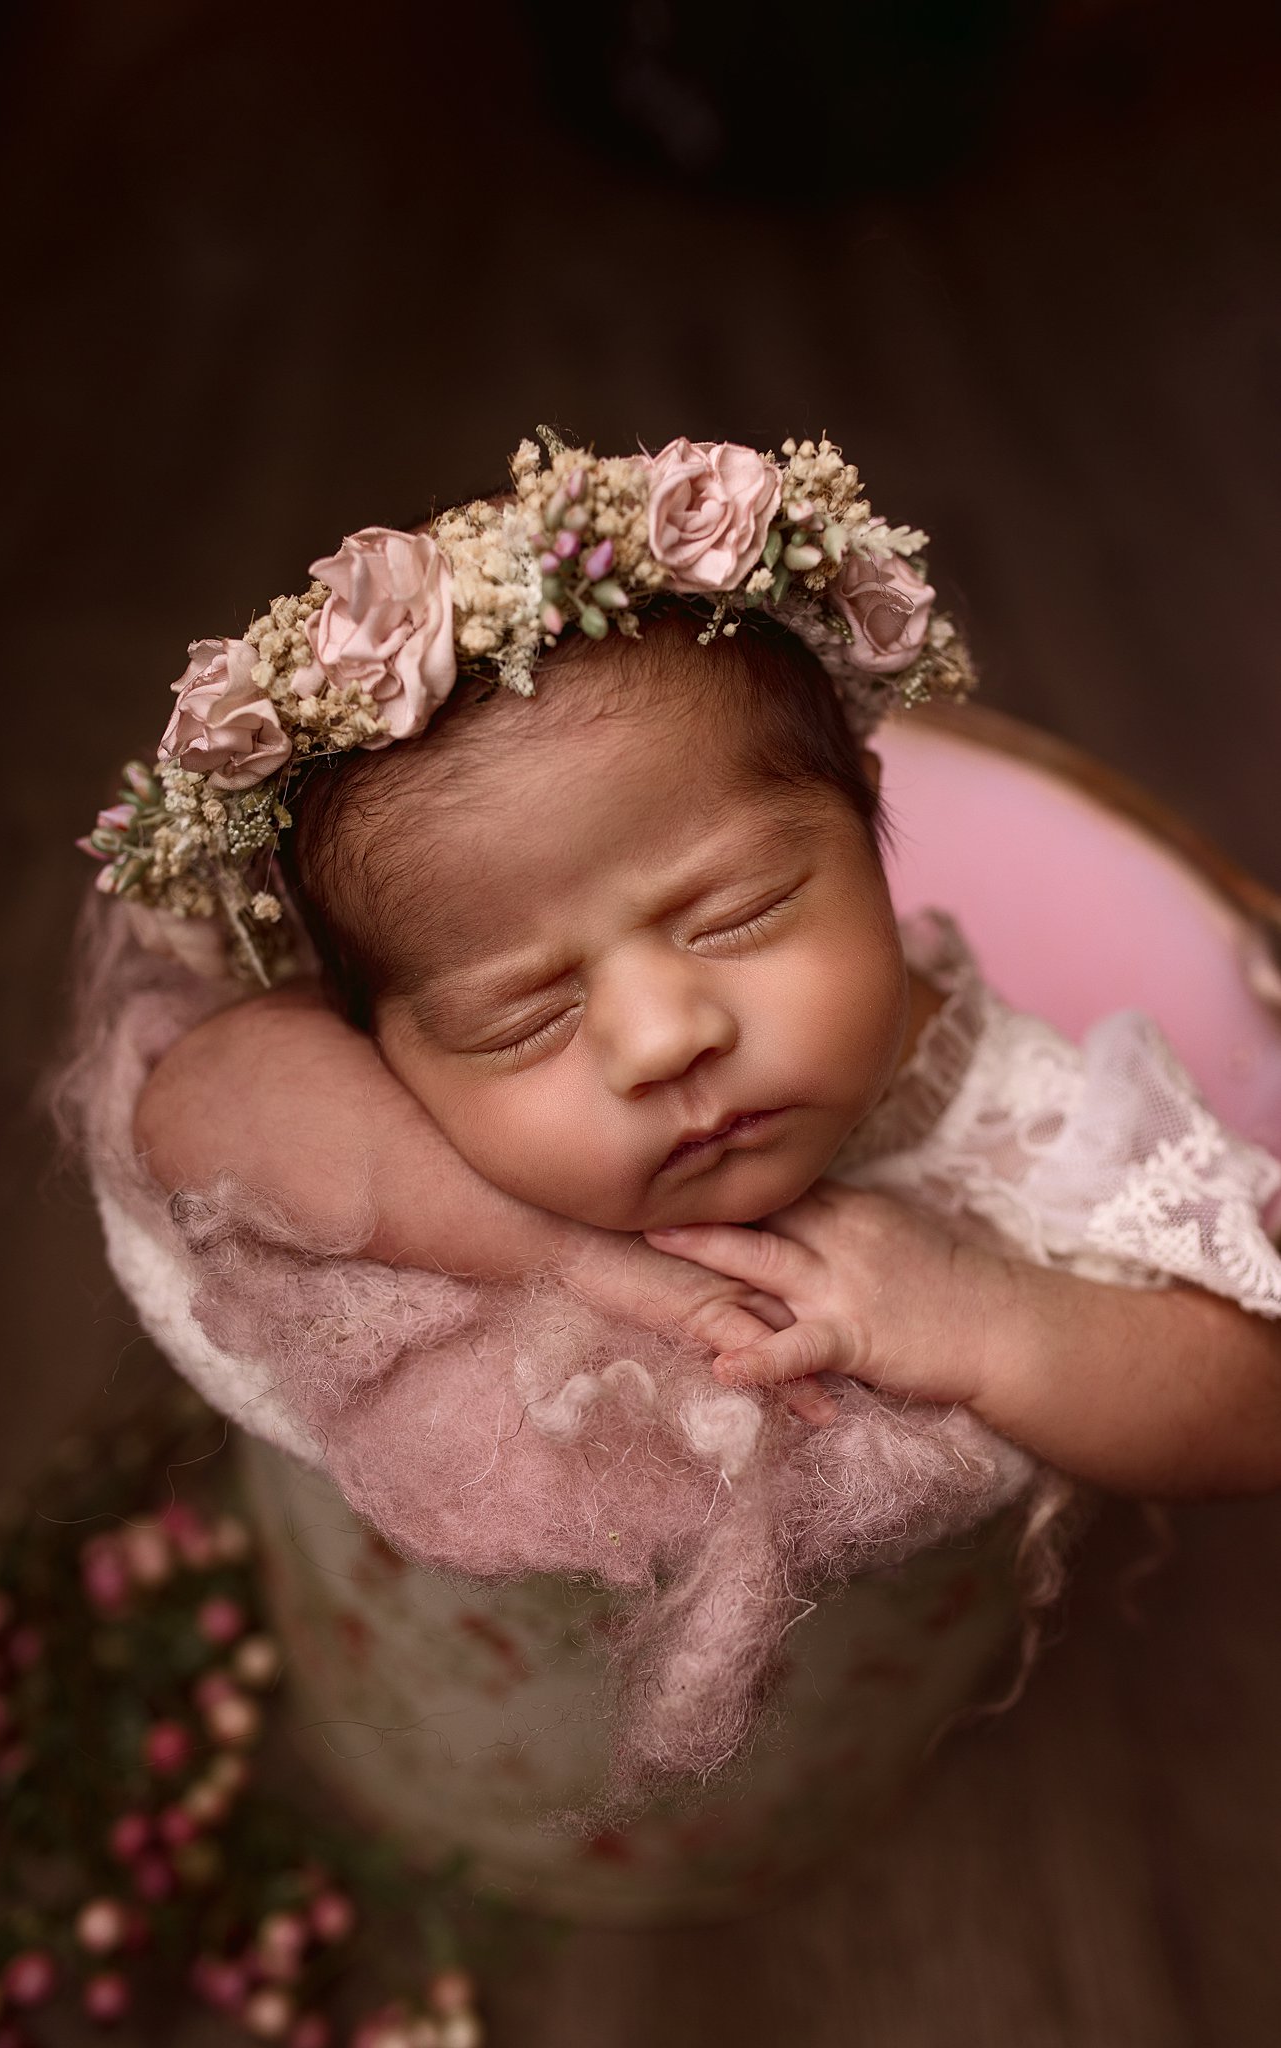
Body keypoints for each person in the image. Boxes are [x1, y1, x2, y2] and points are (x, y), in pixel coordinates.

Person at [77, 433, 1281, 1791]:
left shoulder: (1007, 1110)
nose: (661, 1039)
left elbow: (1258, 1394)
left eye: (739, 913)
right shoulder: (371, 1101)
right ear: (374, 1038)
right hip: (510, 1713)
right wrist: (568, 1256)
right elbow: (194, 1099)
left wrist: (988, 1318)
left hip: (826, 1705)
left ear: (872, 821)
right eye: (520, 1016)